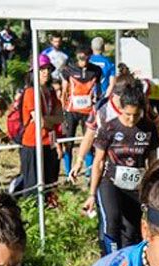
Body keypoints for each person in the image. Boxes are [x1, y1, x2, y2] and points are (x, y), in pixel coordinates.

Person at [84, 84, 159, 255]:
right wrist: (91, 194)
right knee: (112, 221)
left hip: (135, 185)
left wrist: (151, 188)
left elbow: (152, 160)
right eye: (127, 115)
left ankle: (127, 265)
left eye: (136, 115)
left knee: (132, 230)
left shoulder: (148, 128)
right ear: (120, 109)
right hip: (110, 182)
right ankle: (110, 261)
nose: (132, 120)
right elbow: (98, 162)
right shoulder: (109, 128)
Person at [12, 63, 65, 208]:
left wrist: (56, 143)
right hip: (32, 144)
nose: (46, 73)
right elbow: (40, 121)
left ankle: (48, 212)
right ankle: (32, 215)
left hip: (49, 143)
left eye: (48, 69)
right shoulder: (30, 92)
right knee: (33, 185)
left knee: (50, 182)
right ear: (34, 72)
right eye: (42, 70)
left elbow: (60, 119)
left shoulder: (51, 92)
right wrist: (49, 120)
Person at [59, 44, 105, 178]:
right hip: (71, 110)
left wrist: (97, 105)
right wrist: (63, 107)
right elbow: (64, 90)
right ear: (77, 57)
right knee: (69, 141)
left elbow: (99, 89)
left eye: (86, 59)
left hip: (88, 111)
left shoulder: (95, 70)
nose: (83, 62)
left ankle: (88, 172)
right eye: (81, 59)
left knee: (89, 141)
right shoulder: (68, 69)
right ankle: (68, 172)